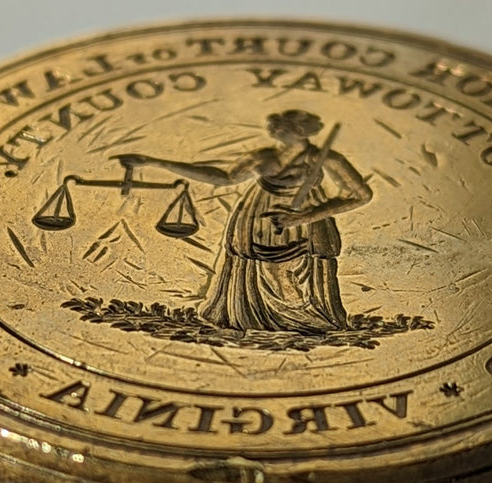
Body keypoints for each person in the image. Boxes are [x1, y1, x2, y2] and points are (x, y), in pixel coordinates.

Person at [116, 110, 372, 333]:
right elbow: (223, 178)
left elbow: (361, 195)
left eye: (279, 124)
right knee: (262, 268)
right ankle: (263, 320)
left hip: (303, 222)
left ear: (298, 131)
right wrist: (156, 162)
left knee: (283, 270)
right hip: (257, 217)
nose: (272, 128)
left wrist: (305, 217)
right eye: (274, 124)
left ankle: (301, 318)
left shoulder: (326, 159)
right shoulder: (263, 156)